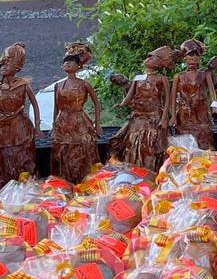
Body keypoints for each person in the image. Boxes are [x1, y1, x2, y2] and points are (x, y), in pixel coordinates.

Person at [108, 45, 174, 171]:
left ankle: (152, 170)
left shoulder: (162, 78)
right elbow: (129, 95)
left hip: (154, 117)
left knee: (152, 144)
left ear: (159, 64)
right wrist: (122, 104)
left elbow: (167, 99)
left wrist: (165, 117)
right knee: (132, 141)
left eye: (153, 58)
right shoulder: (138, 78)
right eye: (148, 57)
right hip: (138, 116)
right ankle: (134, 168)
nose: (148, 59)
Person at [51, 42, 100, 183]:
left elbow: (96, 103)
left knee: (82, 149)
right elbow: (56, 106)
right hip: (62, 121)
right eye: (65, 63)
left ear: (78, 66)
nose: (67, 65)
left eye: (71, 62)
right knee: (62, 150)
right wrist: (54, 125)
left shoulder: (84, 84)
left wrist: (97, 124)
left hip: (79, 121)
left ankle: (84, 180)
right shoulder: (58, 85)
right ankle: (64, 180)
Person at [170, 39, 217, 150]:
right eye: (190, 55)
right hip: (185, 113)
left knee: (204, 135)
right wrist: (173, 115)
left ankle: (205, 158)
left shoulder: (204, 75)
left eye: (196, 56)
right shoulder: (178, 76)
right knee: (184, 138)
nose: (193, 58)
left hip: (201, 112)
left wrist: (215, 105)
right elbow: (173, 97)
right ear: (184, 57)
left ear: (200, 58)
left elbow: (212, 91)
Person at [0, 43, 38, 185]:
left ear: (17, 68)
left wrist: (38, 126)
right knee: (5, 156)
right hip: (2, 128)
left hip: (20, 126)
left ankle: (24, 185)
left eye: (7, 64)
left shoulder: (23, 84)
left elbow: (35, 104)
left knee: (22, 154)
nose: (3, 67)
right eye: (2, 64)